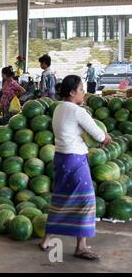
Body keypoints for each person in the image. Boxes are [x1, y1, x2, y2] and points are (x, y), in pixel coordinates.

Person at [39, 75, 112, 261]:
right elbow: (98, 134)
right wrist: (106, 139)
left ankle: (46, 240)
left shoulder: (58, 109)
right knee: (85, 202)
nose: (84, 93)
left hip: (61, 158)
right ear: (72, 92)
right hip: (76, 161)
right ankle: (81, 247)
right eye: (81, 90)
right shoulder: (77, 111)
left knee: (60, 200)